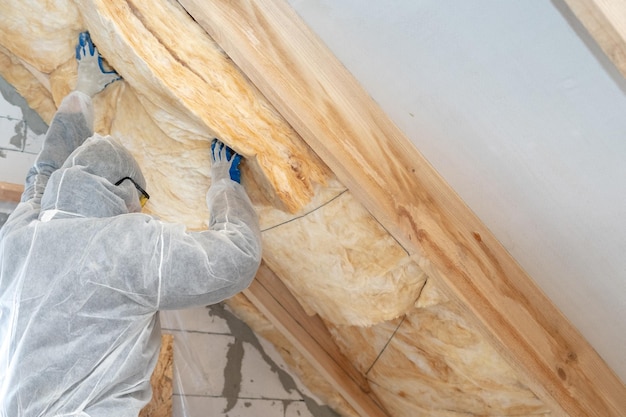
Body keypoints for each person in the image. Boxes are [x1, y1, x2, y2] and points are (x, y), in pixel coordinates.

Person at [0, 32, 262, 416]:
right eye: (142, 199)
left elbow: (46, 170)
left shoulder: (24, 233)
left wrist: (84, 88)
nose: (141, 209)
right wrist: (225, 187)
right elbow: (236, 259)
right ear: (124, 188)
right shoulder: (124, 247)